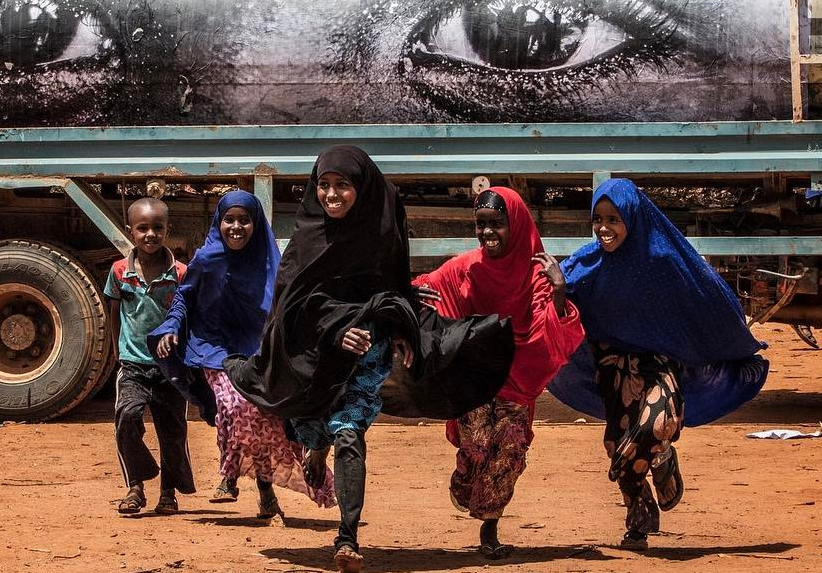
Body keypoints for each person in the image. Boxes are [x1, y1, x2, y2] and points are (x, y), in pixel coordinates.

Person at [226, 146, 514, 573]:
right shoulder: (308, 237)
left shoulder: (383, 228)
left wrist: (403, 325)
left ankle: (347, 536)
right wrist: (338, 328)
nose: (331, 195)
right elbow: (292, 307)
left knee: (349, 433)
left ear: (361, 188)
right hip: (316, 356)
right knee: (313, 426)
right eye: (323, 185)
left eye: (342, 185)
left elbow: (392, 287)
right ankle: (316, 445)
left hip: (367, 353)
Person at [548, 178, 769, 551]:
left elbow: (708, 295)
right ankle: (639, 516)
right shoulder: (587, 264)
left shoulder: (664, 261)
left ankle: (662, 454)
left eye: (614, 219)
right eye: (598, 219)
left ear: (633, 218)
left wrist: (729, 341)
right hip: (612, 368)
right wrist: (556, 289)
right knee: (619, 440)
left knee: (654, 426)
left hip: (660, 366)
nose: (604, 228)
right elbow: (558, 317)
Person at [413, 187, 584, 558]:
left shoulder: (537, 273)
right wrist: (410, 296)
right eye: (481, 224)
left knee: (510, 447)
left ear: (517, 225)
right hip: (473, 381)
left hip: (517, 385)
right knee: (476, 449)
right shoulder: (466, 268)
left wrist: (559, 290)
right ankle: (465, 478)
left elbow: (554, 328)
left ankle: (490, 525)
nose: (488, 232)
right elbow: (429, 287)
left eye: (497, 224)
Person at [151, 190, 335, 520]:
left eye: (244, 220)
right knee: (235, 405)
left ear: (256, 224)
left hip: (257, 348)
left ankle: (263, 490)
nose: (236, 227)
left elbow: (290, 304)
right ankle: (230, 473)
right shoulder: (206, 259)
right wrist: (171, 327)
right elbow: (184, 299)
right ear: (218, 222)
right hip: (213, 347)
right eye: (229, 220)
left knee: (263, 420)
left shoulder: (270, 262)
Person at [105, 197, 195, 516]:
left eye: (158, 227)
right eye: (143, 228)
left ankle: (168, 493)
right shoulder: (119, 272)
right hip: (133, 365)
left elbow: (189, 317)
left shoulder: (181, 273)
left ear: (167, 230)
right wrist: (117, 350)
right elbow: (114, 312)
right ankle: (136, 486)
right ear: (131, 231)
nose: (150, 234)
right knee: (127, 418)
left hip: (170, 367)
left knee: (172, 431)